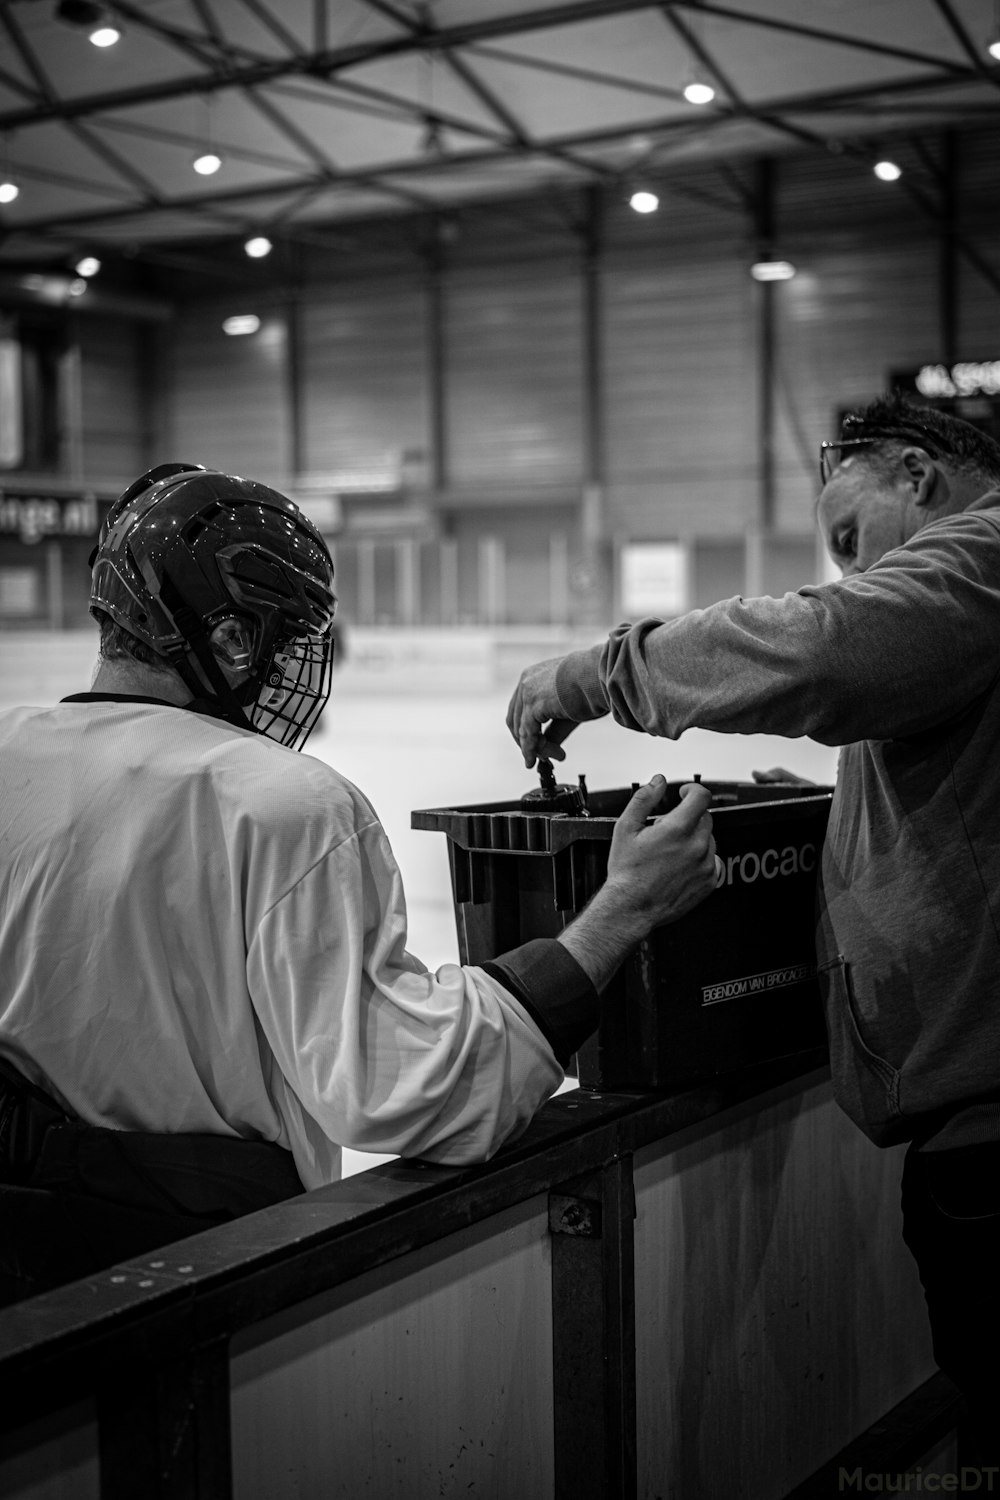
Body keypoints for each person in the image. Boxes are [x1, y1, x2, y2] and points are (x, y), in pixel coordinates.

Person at [0, 462, 718, 1300]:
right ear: (232, 641)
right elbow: (412, 1091)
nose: (292, 671)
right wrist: (619, 911)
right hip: (194, 1281)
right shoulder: (281, 803)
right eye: (285, 641)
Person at [507, 392, 1000, 1463]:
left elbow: (823, 649)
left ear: (914, 473)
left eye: (847, 538)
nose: (846, 571)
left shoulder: (983, 554)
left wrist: (594, 673)